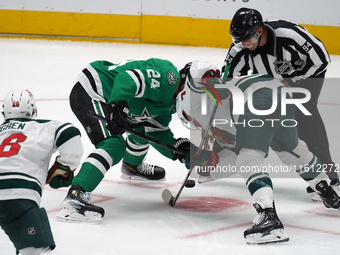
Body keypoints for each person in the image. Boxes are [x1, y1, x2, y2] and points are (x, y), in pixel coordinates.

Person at [176, 60, 340, 244]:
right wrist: (211, 165)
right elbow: (233, 158)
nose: (193, 124)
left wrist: (211, 80)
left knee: (249, 159)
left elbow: (199, 67)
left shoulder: (193, 99)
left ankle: (269, 219)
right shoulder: (218, 128)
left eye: (188, 119)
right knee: (292, 151)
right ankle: (328, 191)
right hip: (279, 95)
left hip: (258, 95)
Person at [57, 58, 217, 223]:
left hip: (112, 99)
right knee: (114, 144)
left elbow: (155, 132)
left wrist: (181, 150)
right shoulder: (168, 78)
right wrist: (119, 106)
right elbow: (126, 79)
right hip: (95, 91)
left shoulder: (170, 104)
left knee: (140, 126)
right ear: (188, 86)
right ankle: (76, 196)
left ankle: (132, 166)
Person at [222, 7, 339, 200]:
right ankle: (318, 175)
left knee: (304, 114)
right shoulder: (240, 49)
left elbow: (322, 60)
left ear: (259, 31)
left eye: (247, 39)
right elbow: (229, 80)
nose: (243, 44)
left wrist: (293, 82)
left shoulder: (289, 37)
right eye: (238, 40)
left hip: (307, 78)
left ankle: (332, 179)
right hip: (274, 84)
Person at [0, 90, 83, 254]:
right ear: (32, 111)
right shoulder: (42, 126)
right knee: (36, 250)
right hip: (18, 195)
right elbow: (70, 134)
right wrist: (64, 167)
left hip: (15, 193)